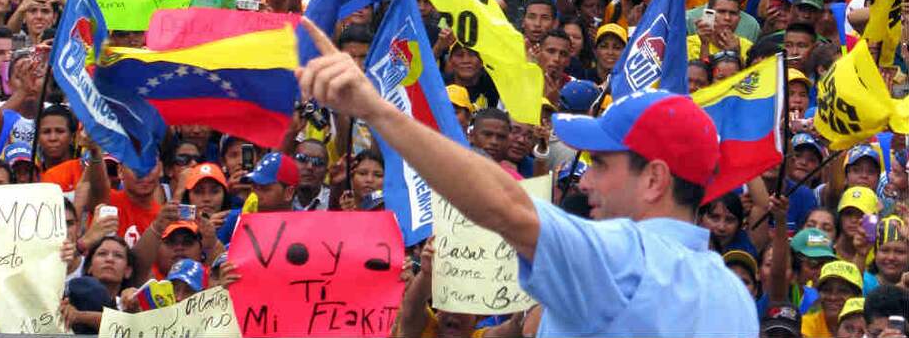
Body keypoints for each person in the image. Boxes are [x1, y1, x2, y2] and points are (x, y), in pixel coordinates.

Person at [295, 19, 758, 335]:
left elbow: (504, 206)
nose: (585, 182)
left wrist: (377, 110)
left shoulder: (626, 258)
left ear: (655, 179)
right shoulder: (733, 295)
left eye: (601, 164)